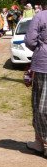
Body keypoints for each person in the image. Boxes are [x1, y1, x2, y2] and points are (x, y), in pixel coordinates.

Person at [25, 8, 47, 158]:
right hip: (42, 64)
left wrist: (41, 48)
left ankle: (42, 141)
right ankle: (39, 142)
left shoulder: (40, 16)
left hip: (43, 65)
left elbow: (30, 41)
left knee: (41, 105)